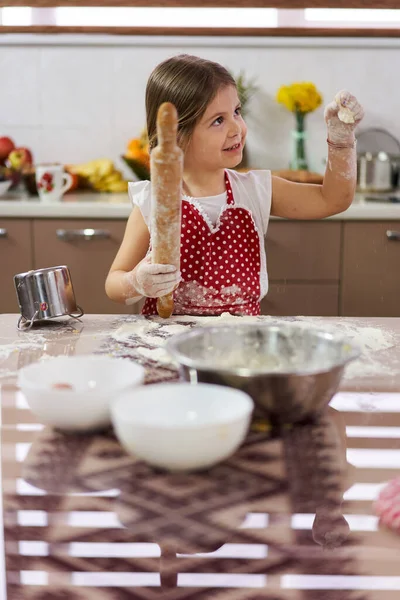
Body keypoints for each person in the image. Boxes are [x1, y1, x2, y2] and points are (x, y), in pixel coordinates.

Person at [105, 54, 364, 316]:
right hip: (168, 346)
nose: (236, 128)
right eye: (218, 120)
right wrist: (136, 281)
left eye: (236, 112)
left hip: (240, 345)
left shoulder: (255, 190)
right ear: (177, 135)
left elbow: (332, 199)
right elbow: (114, 284)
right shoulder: (153, 202)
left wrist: (341, 141)